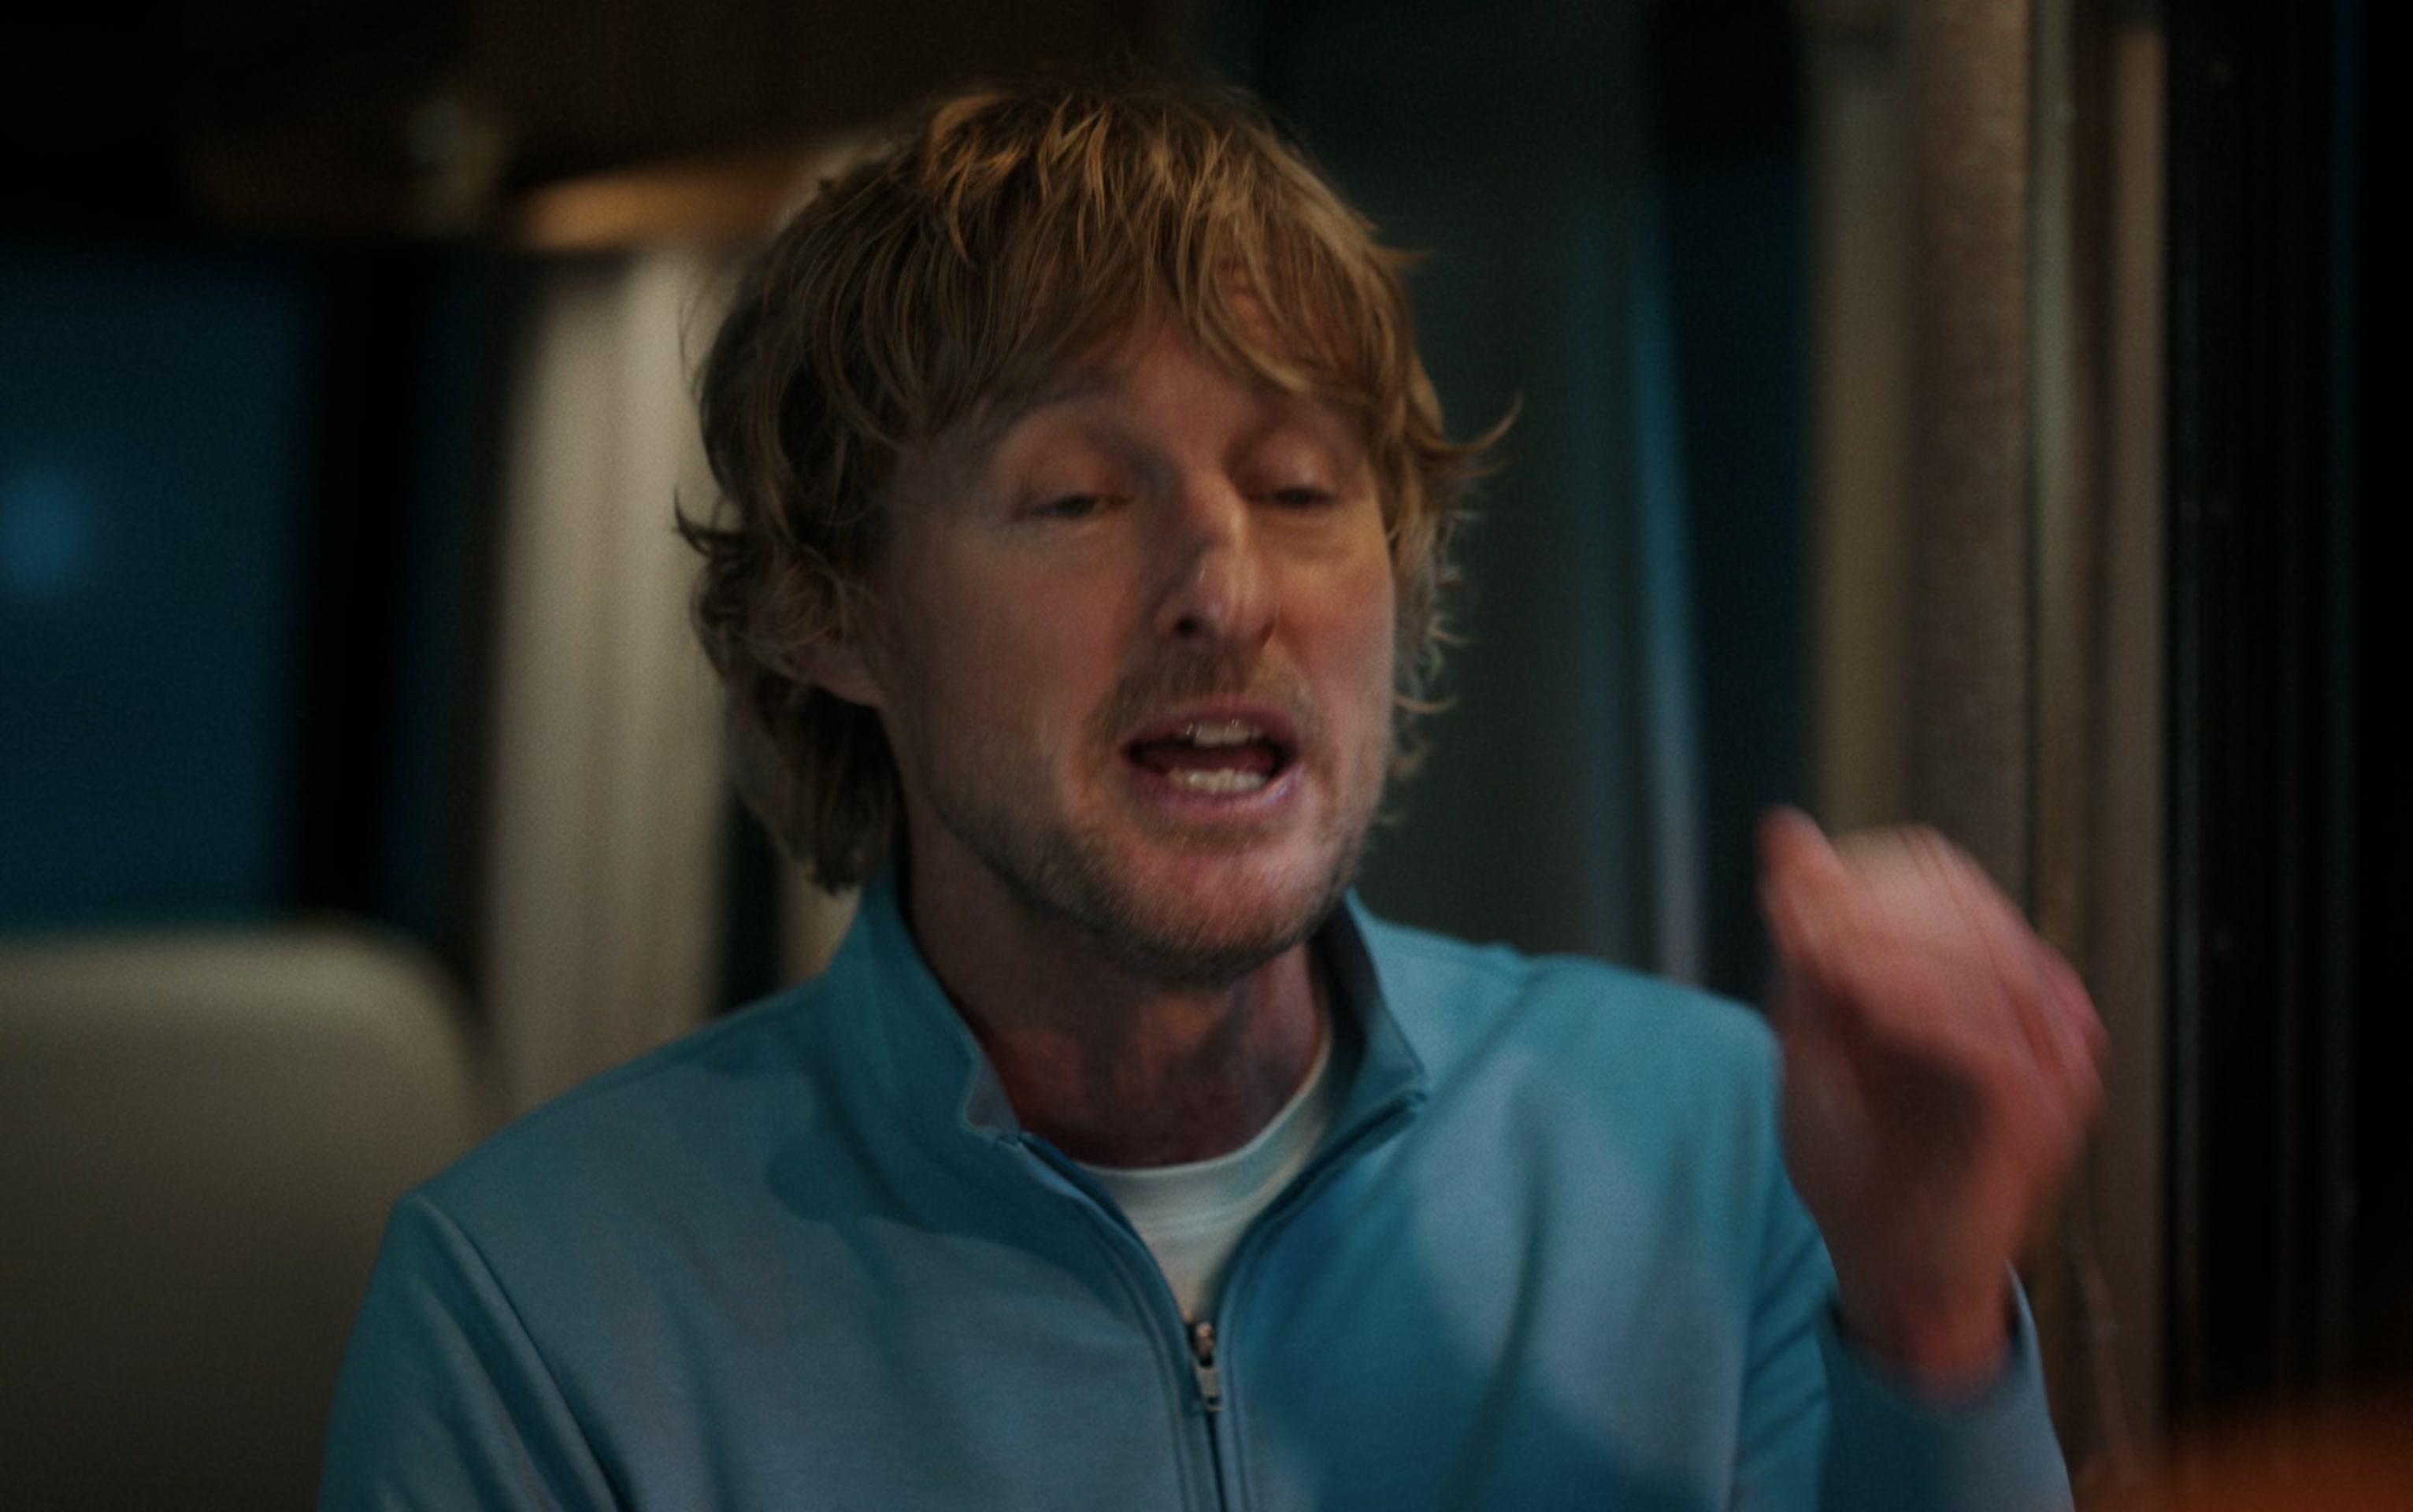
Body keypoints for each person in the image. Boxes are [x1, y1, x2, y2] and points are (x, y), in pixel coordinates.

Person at [321, 78, 2101, 1510]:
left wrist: (1932, 1325)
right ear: (834, 616)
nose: (1226, 589)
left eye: (1304, 489)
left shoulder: (1729, 1144)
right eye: (1079, 499)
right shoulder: (540, 1306)